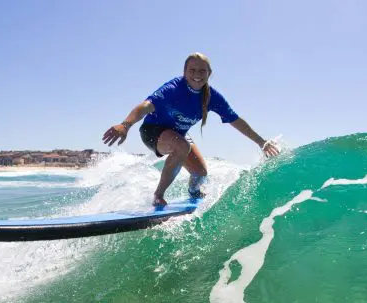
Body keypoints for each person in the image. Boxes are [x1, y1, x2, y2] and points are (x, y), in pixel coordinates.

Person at [102, 52, 280, 207]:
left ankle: (194, 193)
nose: (197, 75)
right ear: (184, 72)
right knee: (182, 146)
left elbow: (235, 120)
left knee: (200, 173)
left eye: (202, 71)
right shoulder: (173, 89)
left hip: (178, 135)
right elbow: (145, 106)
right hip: (152, 131)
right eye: (192, 70)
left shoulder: (212, 97)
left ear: (209, 74)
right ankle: (158, 195)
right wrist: (125, 125)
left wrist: (261, 142)